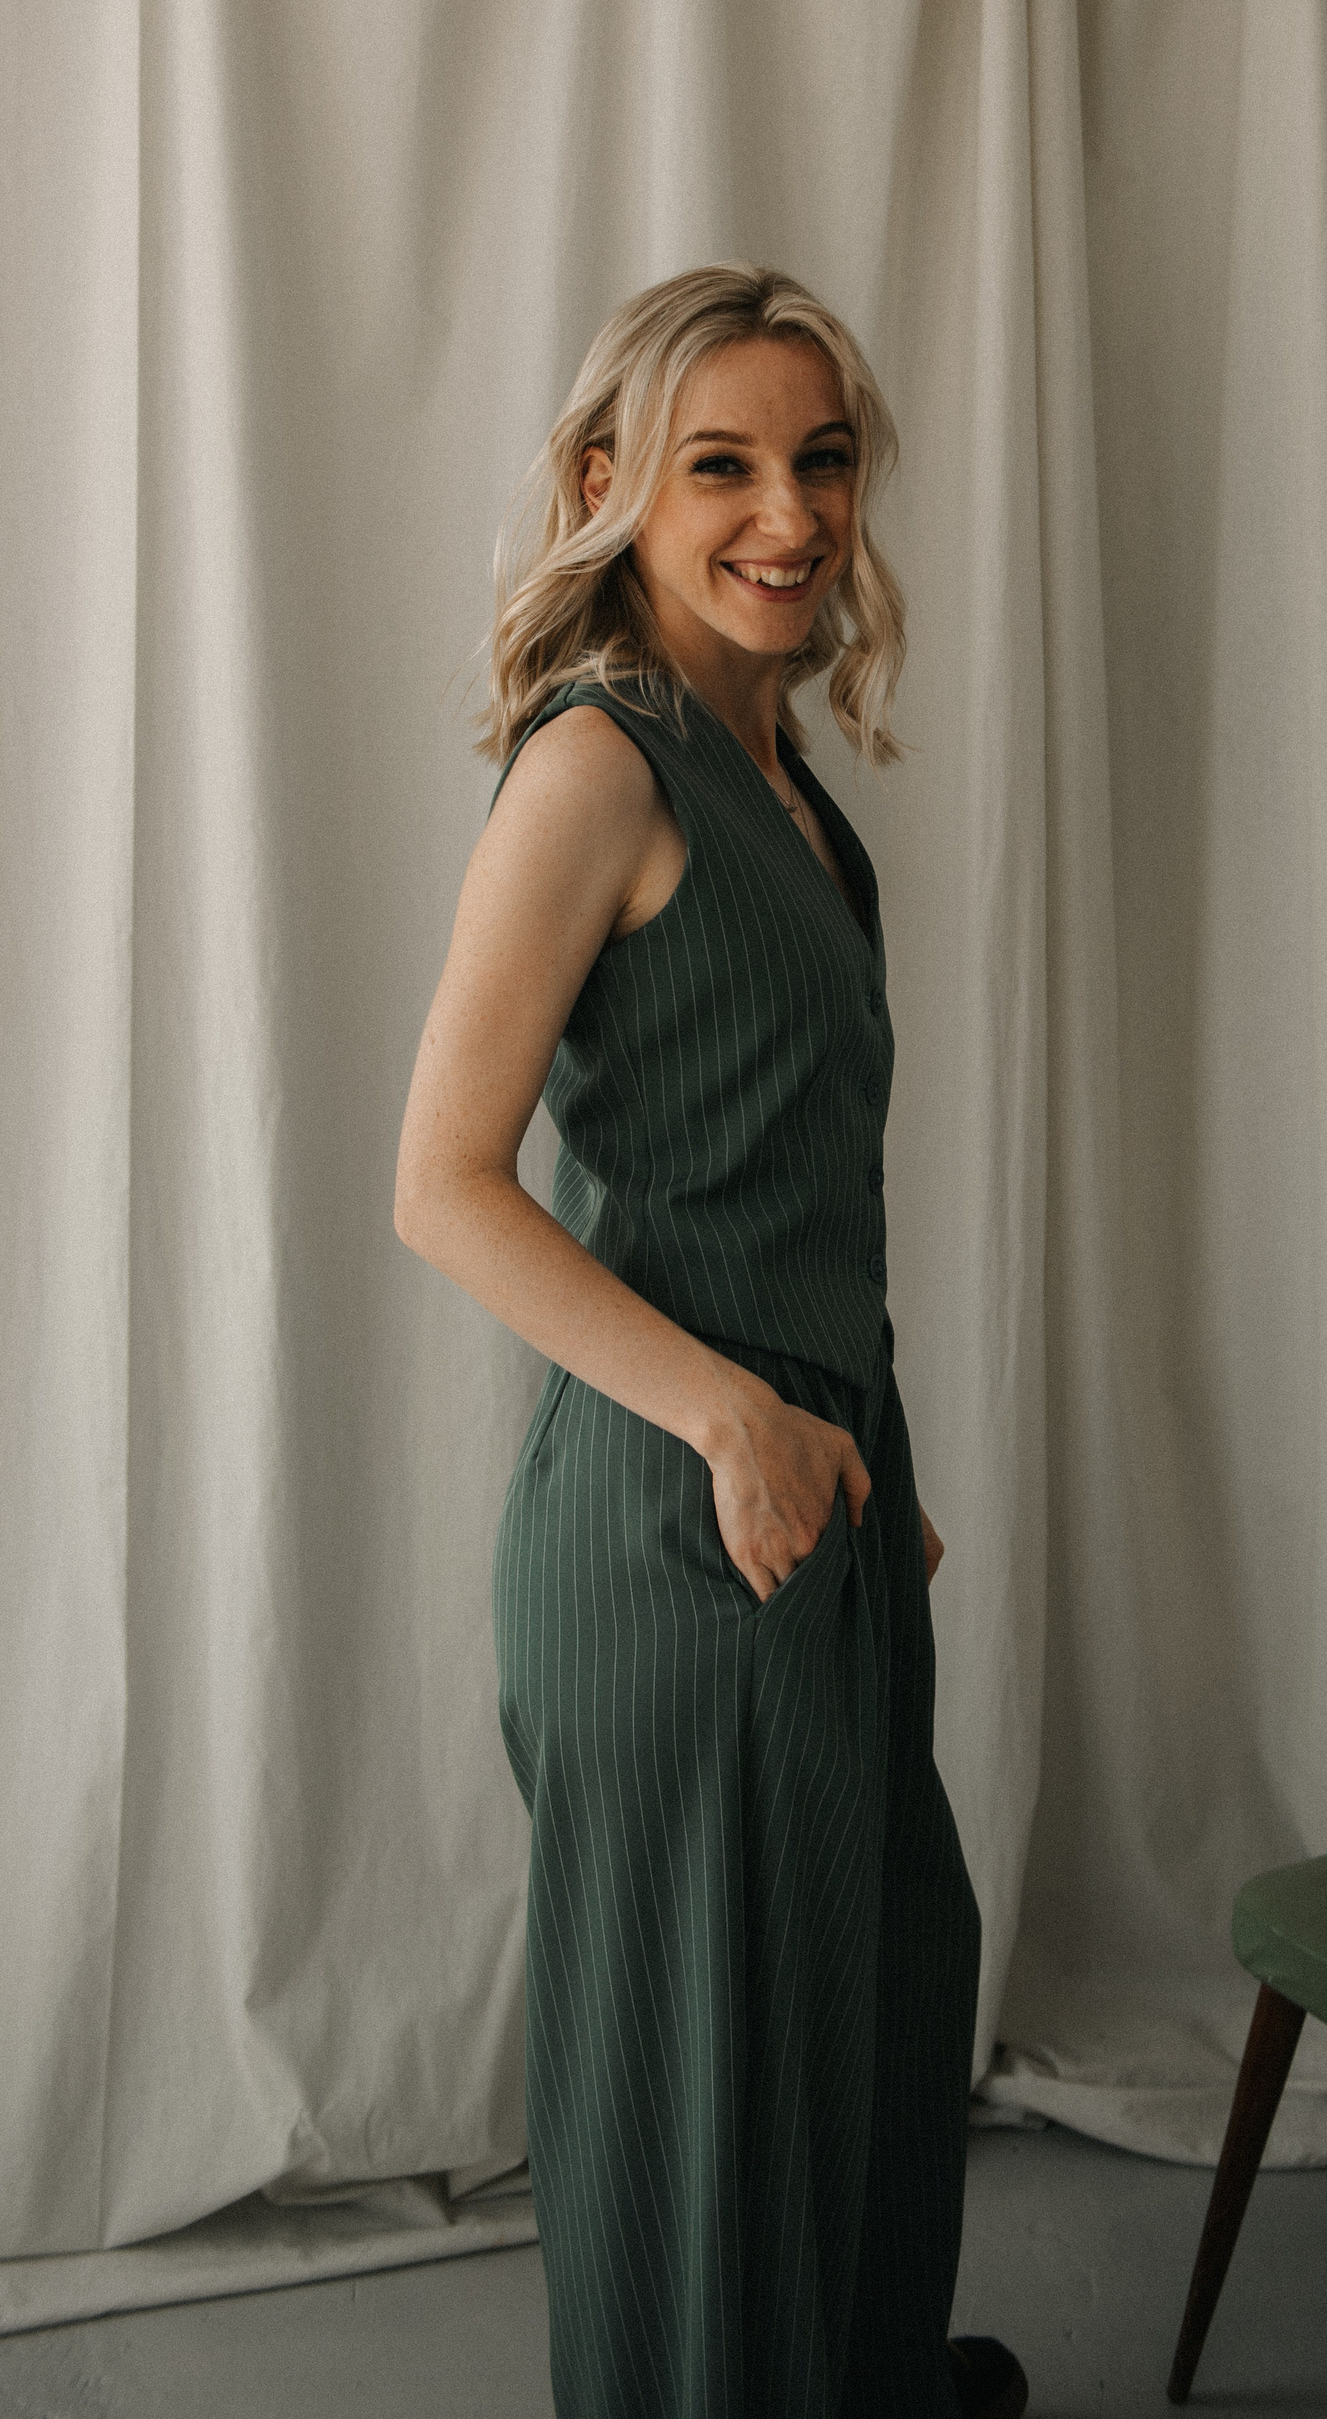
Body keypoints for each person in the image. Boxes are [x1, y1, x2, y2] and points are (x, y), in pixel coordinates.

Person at [395, 265, 1023, 2419]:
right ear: (611, 483)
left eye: (821, 461)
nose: (791, 514)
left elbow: (790, 1178)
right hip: (680, 1528)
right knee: (708, 2131)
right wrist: (742, 1421)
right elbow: (440, 1181)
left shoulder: (782, 766)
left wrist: (863, 1457)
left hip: (812, 1491)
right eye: (723, 465)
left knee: (875, 2014)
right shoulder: (599, 766)